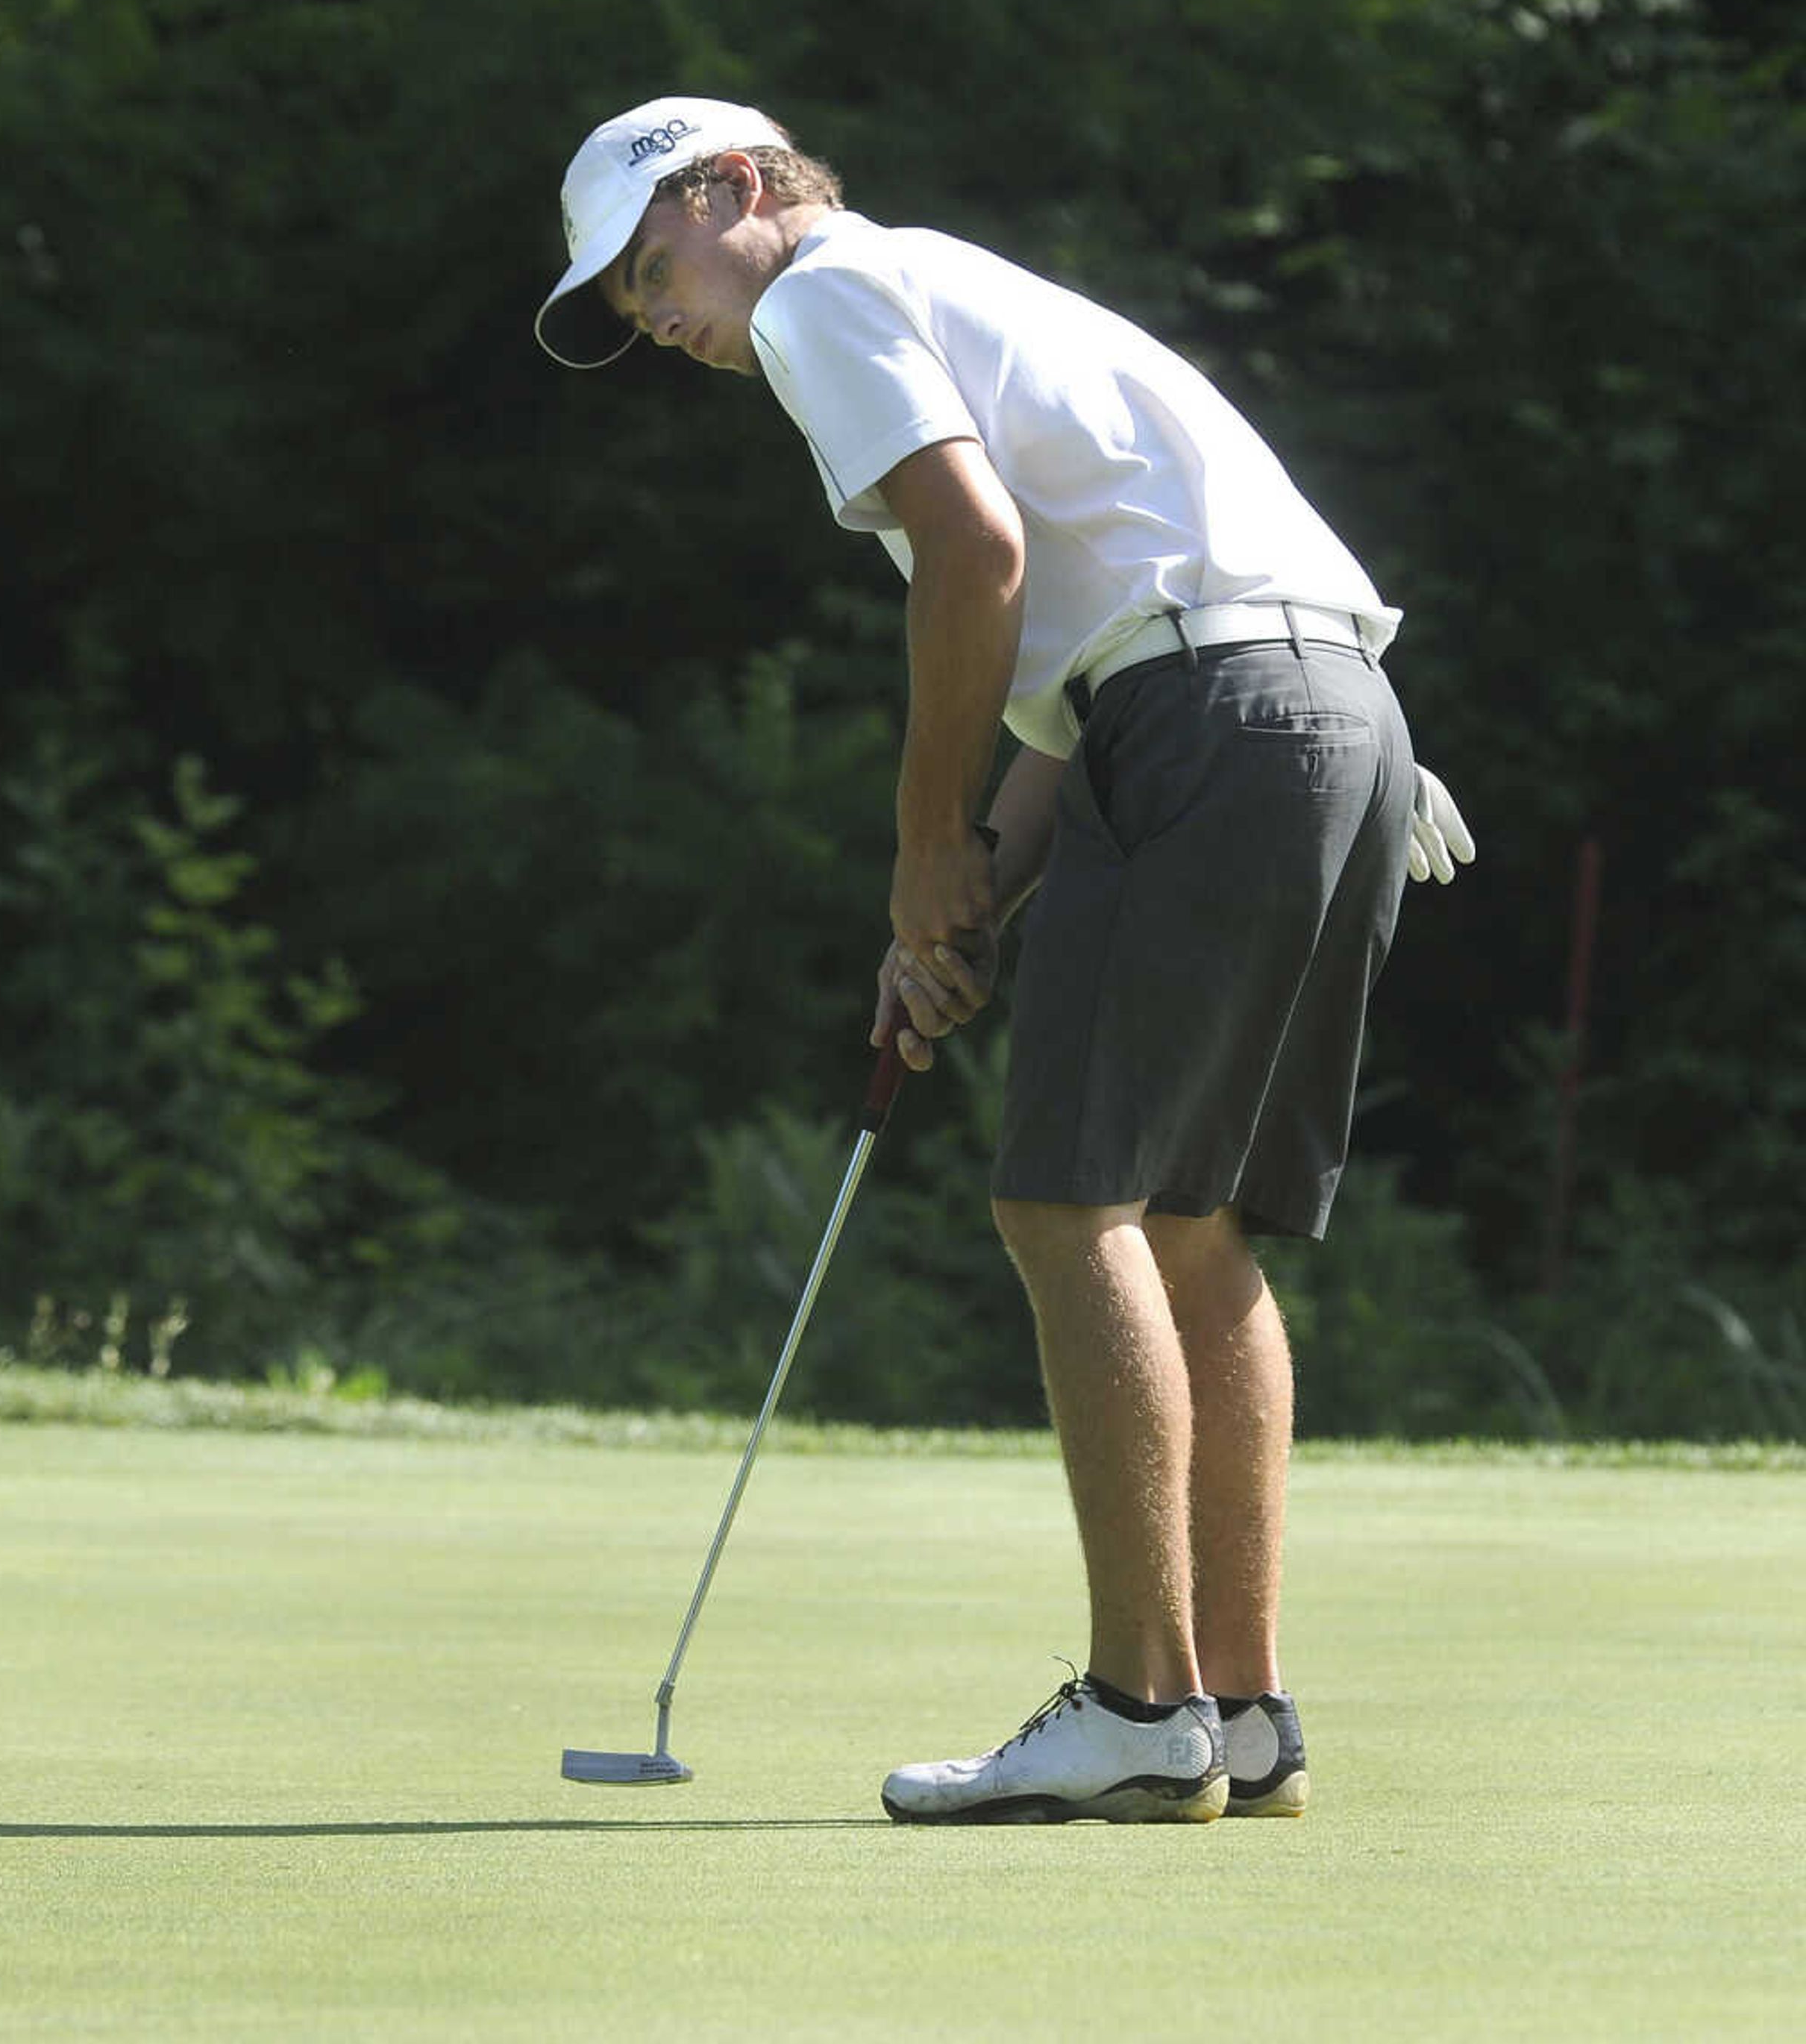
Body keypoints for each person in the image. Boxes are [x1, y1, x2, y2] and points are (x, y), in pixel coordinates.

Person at [535, 98, 1473, 1824]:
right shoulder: (952, 289)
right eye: (625, 301)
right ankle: (1239, 1715)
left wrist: (915, 845)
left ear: (738, 186)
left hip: (1214, 721)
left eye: (655, 269)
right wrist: (962, 909)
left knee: (1067, 1205)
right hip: (1314, 716)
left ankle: (1139, 1706)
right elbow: (1078, 692)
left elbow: (977, 557)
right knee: (1189, 1222)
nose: (654, 320)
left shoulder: (824, 293)